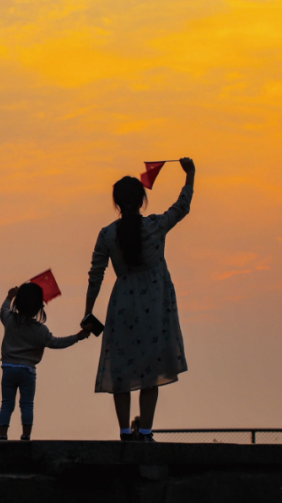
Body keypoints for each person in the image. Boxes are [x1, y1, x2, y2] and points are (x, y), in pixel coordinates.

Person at [84, 157, 195, 442]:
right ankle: (145, 431)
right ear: (142, 200)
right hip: (154, 304)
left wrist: (88, 311)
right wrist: (190, 175)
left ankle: (124, 431)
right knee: (151, 369)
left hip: (122, 303)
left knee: (120, 369)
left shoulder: (107, 234)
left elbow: (96, 275)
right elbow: (182, 207)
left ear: (117, 203)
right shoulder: (155, 226)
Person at [0, 282, 91, 441]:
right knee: (26, 405)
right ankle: (26, 435)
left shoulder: (10, 320)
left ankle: (2, 435)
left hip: (8, 369)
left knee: (7, 403)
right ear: (37, 308)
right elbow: (56, 343)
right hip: (27, 371)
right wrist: (78, 337)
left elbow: (3, 310)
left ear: (18, 303)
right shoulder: (41, 330)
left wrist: (9, 296)